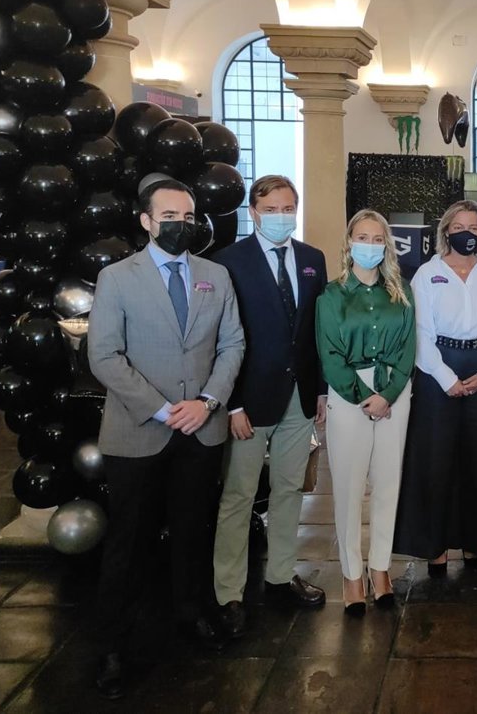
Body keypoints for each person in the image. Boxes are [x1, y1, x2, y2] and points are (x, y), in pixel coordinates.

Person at [88, 178, 245, 699]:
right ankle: (112, 646)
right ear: (146, 221)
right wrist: (160, 409)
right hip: (138, 431)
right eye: (170, 216)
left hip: (201, 428)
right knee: (128, 541)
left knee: (192, 531)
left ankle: (190, 614)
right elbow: (104, 355)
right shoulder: (117, 278)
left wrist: (207, 402)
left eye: (189, 216)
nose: (181, 224)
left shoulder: (215, 276)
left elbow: (232, 344)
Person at [210, 176, 326, 640]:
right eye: (272, 208)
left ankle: (279, 577)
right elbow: (221, 337)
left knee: (289, 490)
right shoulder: (228, 262)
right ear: (254, 212)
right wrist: (232, 403)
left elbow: (314, 332)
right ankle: (229, 593)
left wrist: (320, 391)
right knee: (238, 497)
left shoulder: (313, 259)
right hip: (248, 401)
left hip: (299, 396)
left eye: (288, 208)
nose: (281, 216)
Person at [394, 200, 477, 572]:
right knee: (436, 459)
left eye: (474, 228)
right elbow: (421, 333)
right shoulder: (427, 274)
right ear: (446, 231)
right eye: (459, 227)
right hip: (437, 371)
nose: (467, 234)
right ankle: (435, 546)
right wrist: (445, 378)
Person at [316, 210, 416, 613]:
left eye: (378, 239)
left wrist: (388, 394)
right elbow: (329, 354)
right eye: (363, 237)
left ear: (387, 246)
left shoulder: (401, 291)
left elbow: (408, 348)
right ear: (349, 243)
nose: (370, 245)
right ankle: (352, 573)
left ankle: (380, 568)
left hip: (394, 392)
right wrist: (364, 396)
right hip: (349, 394)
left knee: (388, 484)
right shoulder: (331, 295)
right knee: (349, 487)